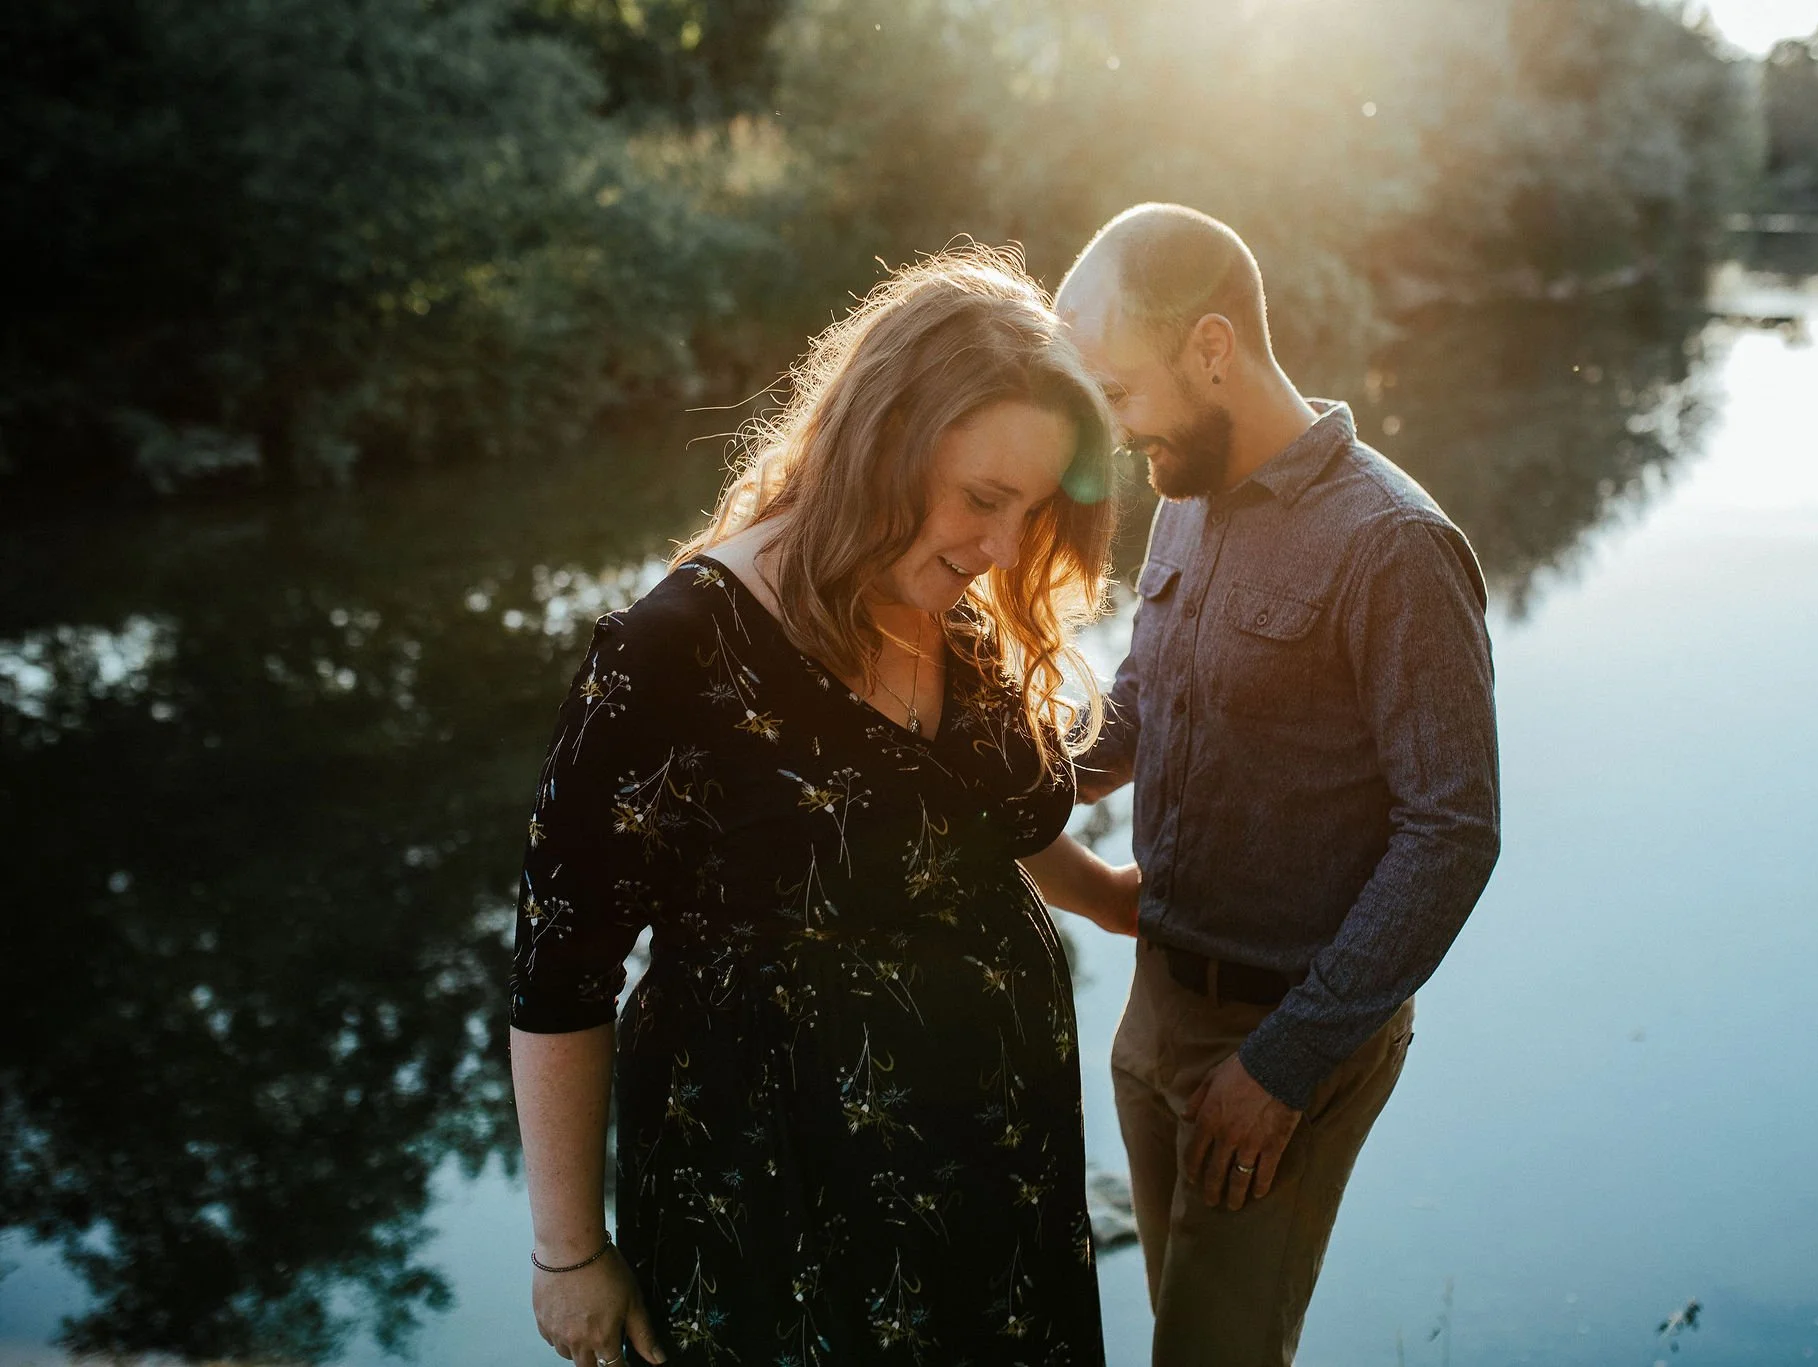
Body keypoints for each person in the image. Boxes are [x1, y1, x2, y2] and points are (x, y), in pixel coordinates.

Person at [507, 246, 1141, 1367]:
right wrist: (567, 1250)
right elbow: (562, 966)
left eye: (1029, 508)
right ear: (882, 440)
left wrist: (1105, 897)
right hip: (776, 1203)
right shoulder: (673, 649)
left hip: (998, 1177)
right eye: (982, 499)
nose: (1001, 547)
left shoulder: (953, 613)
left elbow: (990, 815)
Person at [1056, 204, 1503, 1366]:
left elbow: (1451, 834)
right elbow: (1145, 704)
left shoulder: (1392, 545)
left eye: (1118, 391)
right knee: (1180, 1334)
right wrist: (1014, 762)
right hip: (1156, 999)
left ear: (1211, 349)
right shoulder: (1181, 491)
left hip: (1281, 1036)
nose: (1112, 431)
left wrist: (1282, 1064)